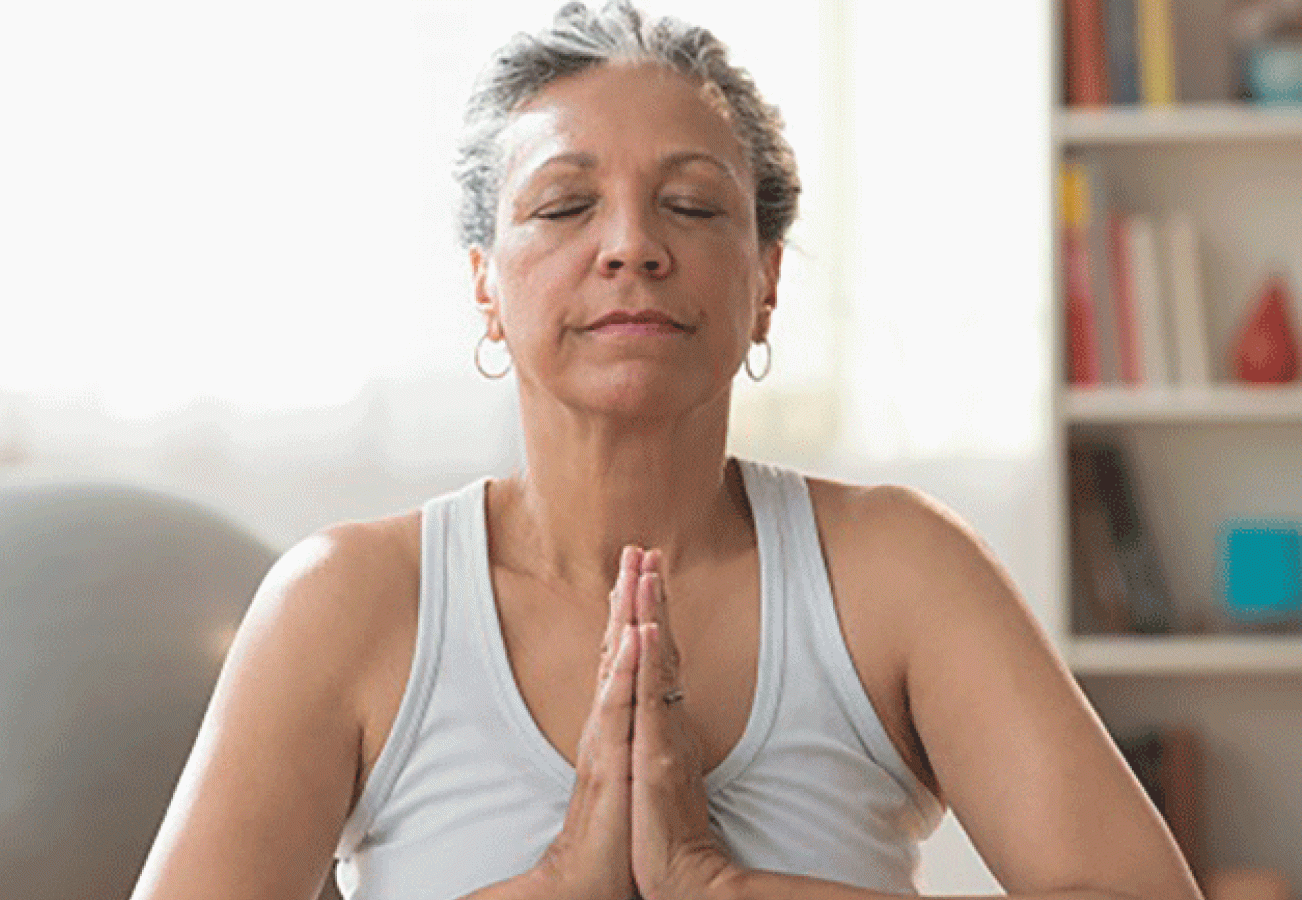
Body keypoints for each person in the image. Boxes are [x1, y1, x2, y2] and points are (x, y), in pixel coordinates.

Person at [129, 3, 1204, 899]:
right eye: (563, 206)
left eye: (689, 205)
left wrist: (721, 884)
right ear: (483, 287)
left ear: (765, 283)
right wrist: (555, 885)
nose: (632, 245)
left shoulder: (901, 569)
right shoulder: (347, 599)